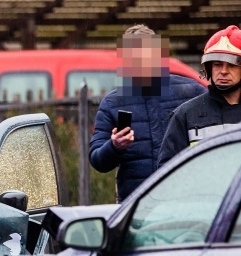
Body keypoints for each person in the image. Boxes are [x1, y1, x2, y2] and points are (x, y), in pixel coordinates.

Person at [90, 25, 206, 202]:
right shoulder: (112, 103)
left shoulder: (190, 92)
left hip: (184, 200)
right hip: (134, 205)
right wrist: (114, 147)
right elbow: (97, 160)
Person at [158, 25, 241, 166]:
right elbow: (168, 170)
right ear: (208, 68)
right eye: (217, 64)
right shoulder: (185, 115)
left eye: (232, 65)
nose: (223, 71)